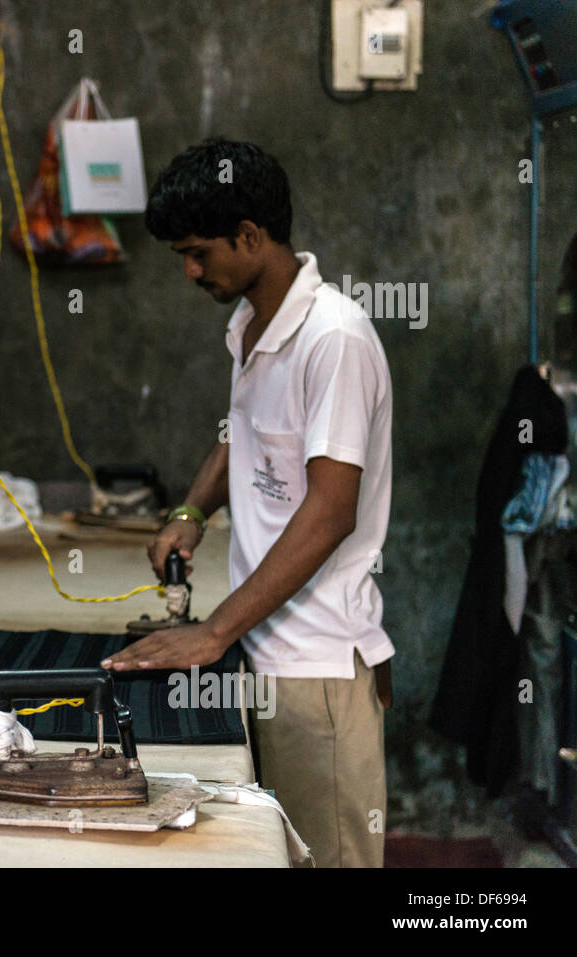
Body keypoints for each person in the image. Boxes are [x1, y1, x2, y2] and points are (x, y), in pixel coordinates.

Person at [102, 139, 394, 867]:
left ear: (252, 237)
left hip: (316, 669)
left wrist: (211, 633)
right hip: (265, 647)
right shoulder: (251, 327)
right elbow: (245, 432)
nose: (190, 271)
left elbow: (331, 511)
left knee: (329, 859)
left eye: (198, 253)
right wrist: (192, 510)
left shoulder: (334, 340)